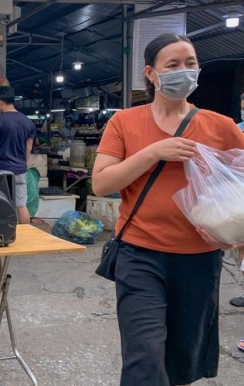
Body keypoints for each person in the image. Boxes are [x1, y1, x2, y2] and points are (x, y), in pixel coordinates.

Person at [92, 33, 244, 386]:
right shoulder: (124, 122)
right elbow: (101, 184)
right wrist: (152, 153)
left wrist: (238, 235)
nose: (184, 72)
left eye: (190, 64)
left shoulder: (220, 126)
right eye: (173, 65)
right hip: (139, 254)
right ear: (151, 73)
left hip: (199, 259)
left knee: (181, 360)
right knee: (143, 358)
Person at [0, 86, 36, 224]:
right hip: (20, 171)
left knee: (2, 204)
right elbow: (29, 147)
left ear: (0, 102)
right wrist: (22, 163)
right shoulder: (28, 122)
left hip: (1, 171)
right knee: (21, 205)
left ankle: (3, 233)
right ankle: (26, 237)